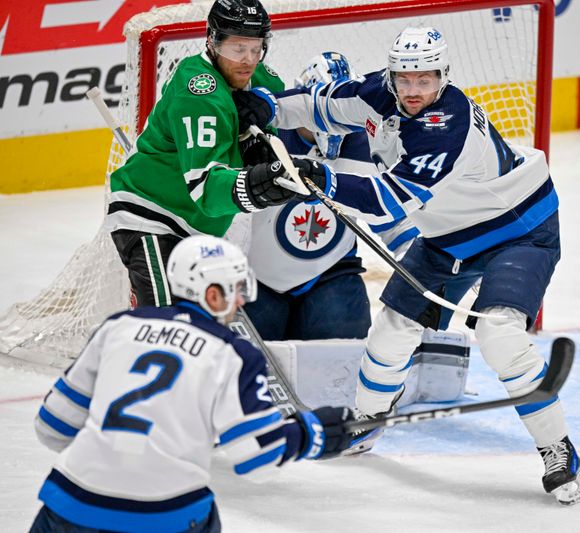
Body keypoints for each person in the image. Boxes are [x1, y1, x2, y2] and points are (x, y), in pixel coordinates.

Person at [233, 27, 580, 505]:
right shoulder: (378, 93)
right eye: (405, 77)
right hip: (447, 237)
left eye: (425, 78)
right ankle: (366, 424)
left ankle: (560, 450)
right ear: (392, 74)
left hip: (518, 228)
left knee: (500, 336)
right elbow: (320, 105)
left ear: (443, 76)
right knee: (391, 332)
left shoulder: (447, 126)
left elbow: (390, 201)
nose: (414, 90)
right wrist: (266, 106)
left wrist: (318, 177)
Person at [30, 235, 355, 532]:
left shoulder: (119, 326)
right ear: (212, 294)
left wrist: (111, 464)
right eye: (236, 288)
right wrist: (310, 432)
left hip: (68, 505)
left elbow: (52, 425)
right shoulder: (233, 354)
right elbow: (257, 457)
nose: (241, 301)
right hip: (163, 515)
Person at [105, 0, 297, 308]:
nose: (248, 60)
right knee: (167, 323)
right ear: (212, 40)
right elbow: (205, 190)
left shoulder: (262, 77)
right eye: (237, 50)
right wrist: (259, 185)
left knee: (206, 327)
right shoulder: (199, 92)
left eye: (256, 48)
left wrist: (267, 117)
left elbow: (280, 100)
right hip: (152, 216)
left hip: (202, 226)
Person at [244, 51, 418, 341]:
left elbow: (393, 221)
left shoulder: (371, 149)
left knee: (343, 369)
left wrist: (423, 269)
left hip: (331, 277)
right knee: (244, 373)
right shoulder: (262, 139)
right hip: (255, 279)